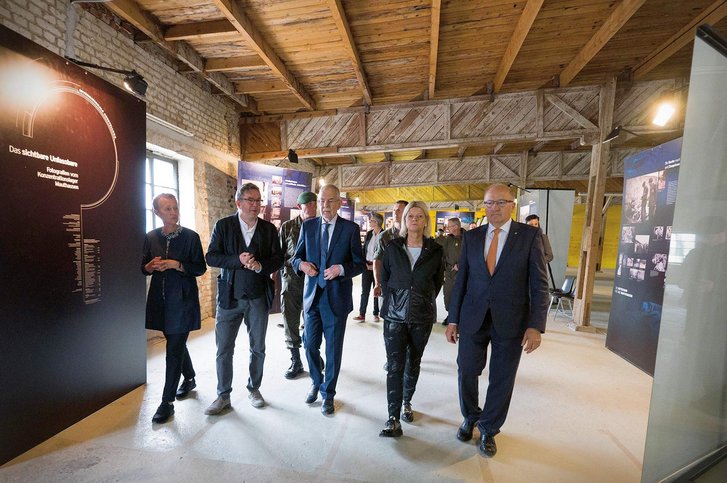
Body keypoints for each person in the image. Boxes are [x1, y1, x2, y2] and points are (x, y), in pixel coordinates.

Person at [446, 183, 549, 457]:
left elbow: (540, 284)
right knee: (466, 369)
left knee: (502, 378)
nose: (494, 208)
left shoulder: (529, 236)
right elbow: (462, 281)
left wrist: (536, 325)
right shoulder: (473, 237)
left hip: (511, 320)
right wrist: (453, 318)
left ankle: (489, 428)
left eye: (500, 202)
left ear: (512, 205)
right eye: (489, 203)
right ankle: (470, 417)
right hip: (473, 317)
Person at [204, 183, 284, 415]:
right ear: (238, 203)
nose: (254, 205)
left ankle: (254, 388)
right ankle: (223, 395)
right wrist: (238, 259)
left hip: (258, 297)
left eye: (258, 201)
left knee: (258, 347)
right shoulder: (224, 226)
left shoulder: (269, 230)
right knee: (224, 348)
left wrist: (261, 265)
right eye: (250, 200)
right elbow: (211, 257)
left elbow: (278, 259)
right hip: (230, 298)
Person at [291, 184, 365, 415]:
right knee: (310, 344)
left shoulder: (350, 229)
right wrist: (301, 265)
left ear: (340, 202)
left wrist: (341, 269)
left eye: (330, 201)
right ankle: (316, 379)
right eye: (322, 201)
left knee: (333, 350)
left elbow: (359, 264)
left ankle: (328, 394)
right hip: (312, 298)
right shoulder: (308, 226)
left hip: (336, 300)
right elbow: (296, 257)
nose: (325, 205)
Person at [378, 201, 444, 437]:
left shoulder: (436, 250)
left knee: (413, 362)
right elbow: (385, 278)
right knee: (395, 365)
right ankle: (393, 417)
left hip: (421, 316)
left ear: (425, 220)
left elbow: (437, 283)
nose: (414, 220)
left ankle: (407, 401)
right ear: (404, 221)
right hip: (394, 316)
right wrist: (396, 300)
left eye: (419, 216)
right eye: (410, 216)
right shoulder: (393, 247)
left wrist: (420, 300)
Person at [142, 193, 207, 424]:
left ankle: (166, 402)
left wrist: (177, 265)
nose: (173, 212)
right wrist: (150, 266)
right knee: (175, 342)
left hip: (183, 300)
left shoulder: (191, 237)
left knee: (173, 349)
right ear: (157, 213)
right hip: (161, 301)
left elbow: (200, 267)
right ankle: (189, 377)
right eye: (167, 209)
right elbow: (143, 267)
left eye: (175, 207)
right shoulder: (150, 237)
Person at [279, 191, 318, 379]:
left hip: (314, 282)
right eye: (307, 205)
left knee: (312, 320)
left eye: (313, 204)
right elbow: (280, 255)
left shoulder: (321, 226)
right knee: (290, 319)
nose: (311, 208)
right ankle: (295, 359)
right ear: (299, 207)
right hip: (292, 281)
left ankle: (313, 354)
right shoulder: (287, 227)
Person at [373, 200, 408, 298]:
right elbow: (377, 260)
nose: (395, 213)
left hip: (408, 285)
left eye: (399, 210)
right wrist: (377, 283)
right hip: (388, 284)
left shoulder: (413, 235)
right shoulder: (384, 236)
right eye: (394, 210)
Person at [353, 212, 383, 322]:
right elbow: (364, 249)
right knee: (364, 291)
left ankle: (376, 313)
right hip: (367, 266)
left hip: (378, 267)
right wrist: (363, 262)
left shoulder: (384, 235)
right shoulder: (369, 234)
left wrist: (377, 265)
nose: (370, 222)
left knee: (376, 290)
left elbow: (385, 254)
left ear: (377, 222)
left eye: (372, 221)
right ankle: (362, 314)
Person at [436, 217, 464, 325]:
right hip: (449, 273)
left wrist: (461, 265)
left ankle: (457, 318)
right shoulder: (447, 239)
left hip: (462, 273)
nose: (447, 228)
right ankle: (451, 314)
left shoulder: (467, 238)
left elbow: (473, 255)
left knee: (460, 296)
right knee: (447, 296)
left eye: (449, 226)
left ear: (456, 227)